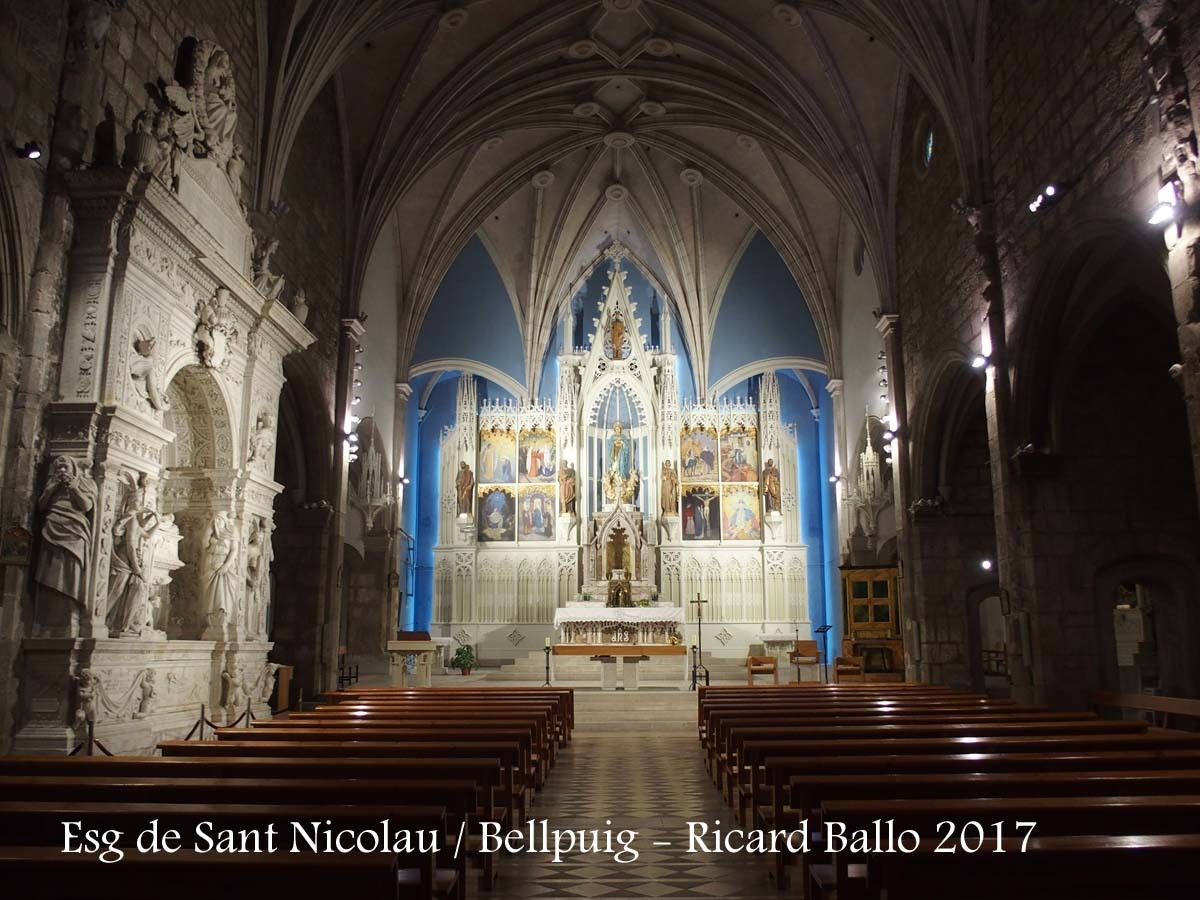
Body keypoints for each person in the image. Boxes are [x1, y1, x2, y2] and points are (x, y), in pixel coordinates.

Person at [35, 456, 97, 607]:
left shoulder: (86, 483)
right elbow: (41, 507)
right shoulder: (52, 484)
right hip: (51, 529)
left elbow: (87, 506)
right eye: (59, 468)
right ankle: (48, 608)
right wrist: (49, 490)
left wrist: (74, 488)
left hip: (75, 532)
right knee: (50, 570)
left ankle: (70, 606)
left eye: (65, 467)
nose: (62, 471)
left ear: (74, 468)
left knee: (71, 570)